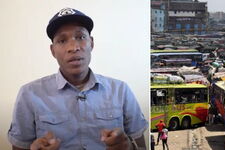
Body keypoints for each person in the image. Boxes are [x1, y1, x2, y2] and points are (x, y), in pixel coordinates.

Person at [7, 8, 148, 150]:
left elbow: (141, 146)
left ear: (91, 43)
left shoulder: (121, 90)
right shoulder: (29, 94)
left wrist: (129, 147)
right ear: (52, 50)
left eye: (80, 37)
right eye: (62, 40)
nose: (73, 48)